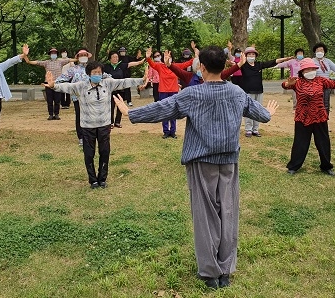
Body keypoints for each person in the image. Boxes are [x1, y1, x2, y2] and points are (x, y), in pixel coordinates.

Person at [114, 46, 278, 290]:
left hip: (202, 161)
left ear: (201, 67)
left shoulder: (193, 94)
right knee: (228, 214)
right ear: (224, 66)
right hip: (229, 161)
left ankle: (211, 273)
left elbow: (163, 108)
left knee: (205, 216)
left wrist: (131, 113)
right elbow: (261, 115)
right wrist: (268, 114)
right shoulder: (236, 92)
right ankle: (225, 271)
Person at [46, 61, 147, 188]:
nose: (97, 75)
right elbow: (67, 87)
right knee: (89, 154)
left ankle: (102, 178)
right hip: (87, 127)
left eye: (99, 72)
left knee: (105, 152)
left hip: (104, 125)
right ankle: (93, 180)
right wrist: (53, 85)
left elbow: (123, 82)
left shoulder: (108, 83)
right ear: (88, 74)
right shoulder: (81, 86)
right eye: (94, 73)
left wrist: (141, 80)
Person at [282, 58, 335, 176]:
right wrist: (288, 84)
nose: (311, 71)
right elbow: (285, 85)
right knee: (300, 142)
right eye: (308, 69)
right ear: (302, 71)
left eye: (313, 69)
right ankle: (293, 166)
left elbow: (334, 84)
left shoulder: (321, 80)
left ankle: (326, 166)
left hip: (319, 116)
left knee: (323, 142)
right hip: (303, 116)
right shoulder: (297, 82)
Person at [238, 46, 293, 137]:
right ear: (246, 56)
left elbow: (273, 62)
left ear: (255, 56)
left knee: (258, 110)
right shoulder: (243, 65)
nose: (251, 56)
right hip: (247, 91)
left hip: (259, 91)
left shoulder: (259, 65)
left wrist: (286, 58)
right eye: (249, 54)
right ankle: (248, 129)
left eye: (253, 54)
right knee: (248, 110)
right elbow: (233, 65)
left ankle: (255, 129)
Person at [24, 47, 73, 120]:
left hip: (57, 83)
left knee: (57, 100)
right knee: (49, 100)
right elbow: (36, 62)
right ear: (50, 54)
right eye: (52, 53)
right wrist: (26, 58)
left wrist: (80, 57)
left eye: (55, 53)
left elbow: (70, 60)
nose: (53, 54)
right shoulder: (46, 62)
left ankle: (56, 114)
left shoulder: (60, 62)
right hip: (48, 83)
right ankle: (50, 114)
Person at [103, 51, 145, 128]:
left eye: (116, 57)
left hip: (120, 89)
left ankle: (117, 122)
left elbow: (130, 64)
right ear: (110, 59)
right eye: (113, 57)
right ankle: (111, 122)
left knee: (120, 106)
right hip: (110, 90)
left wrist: (139, 62)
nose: (115, 59)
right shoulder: (106, 67)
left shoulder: (121, 65)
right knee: (110, 106)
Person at [146, 47, 180, 138]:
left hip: (173, 91)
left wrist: (196, 55)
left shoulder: (176, 66)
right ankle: (165, 131)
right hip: (163, 91)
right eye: (165, 56)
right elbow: (152, 64)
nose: (167, 58)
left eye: (169, 56)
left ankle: (173, 131)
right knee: (164, 111)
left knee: (173, 111)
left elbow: (188, 63)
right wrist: (148, 57)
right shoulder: (160, 66)